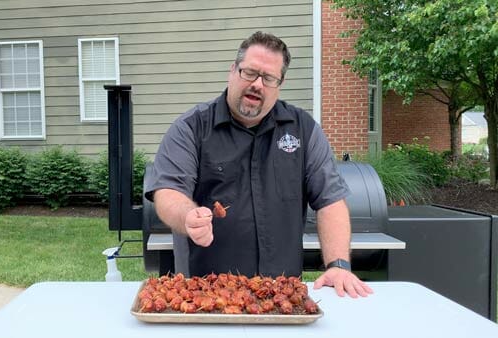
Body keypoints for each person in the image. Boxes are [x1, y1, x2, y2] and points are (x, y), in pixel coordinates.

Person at [144, 31, 372, 298]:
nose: (257, 84)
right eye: (249, 73)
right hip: (205, 297)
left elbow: (330, 200)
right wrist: (187, 215)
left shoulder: (304, 130)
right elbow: (168, 191)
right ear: (233, 70)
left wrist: (339, 265)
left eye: (268, 78)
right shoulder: (190, 128)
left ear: (280, 83)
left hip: (282, 297)